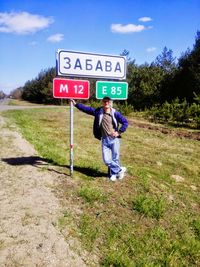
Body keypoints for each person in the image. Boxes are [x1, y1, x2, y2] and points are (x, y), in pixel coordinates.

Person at [70, 96, 128, 181]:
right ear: (102, 102)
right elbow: (88, 109)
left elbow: (125, 122)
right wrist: (76, 104)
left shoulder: (115, 113)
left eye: (108, 101)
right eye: (104, 101)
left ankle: (113, 174)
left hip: (114, 139)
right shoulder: (98, 112)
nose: (106, 103)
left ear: (110, 103)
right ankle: (120, 170)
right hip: (104, 139)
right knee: (107, 160)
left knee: (115, 158)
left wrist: (119, 132)